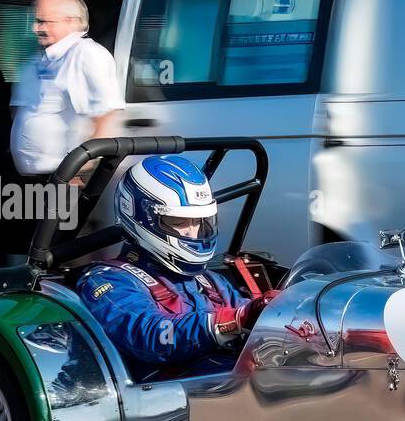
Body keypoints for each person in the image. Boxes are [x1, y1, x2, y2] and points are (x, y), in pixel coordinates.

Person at [78, 155, 275, 375]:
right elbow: (149, 336)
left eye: (200, 222)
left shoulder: (208, 280)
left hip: (225, 385)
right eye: (179, 222)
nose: (193, 233)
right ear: (141, 218)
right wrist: (230, 321)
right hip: (167, 398)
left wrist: (274, 313)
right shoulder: (108, 280)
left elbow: (250, 316)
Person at [10, 0, 125, 179]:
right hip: (33, 177)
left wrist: (79, 169)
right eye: (37, 21)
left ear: (70, 21)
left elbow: (107, 117)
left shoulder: (87, 55)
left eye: (44, 21)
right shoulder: (41, 59)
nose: (35, 29)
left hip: (65, 177)